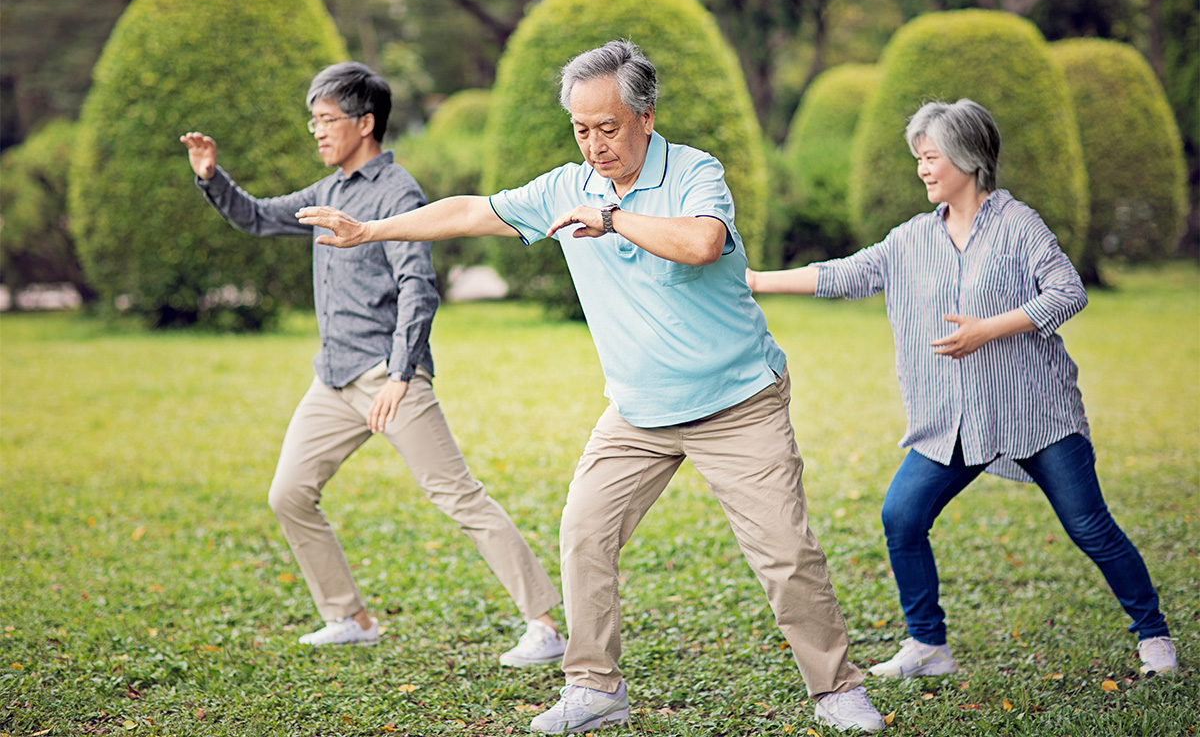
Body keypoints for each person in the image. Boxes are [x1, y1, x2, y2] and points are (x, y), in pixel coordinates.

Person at [297, 41, 885, 734]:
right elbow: (466, 213)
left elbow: (700, 243)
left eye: (607, 127)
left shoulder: (695, 171)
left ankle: (836, 688)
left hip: (736, 402)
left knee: (785, 555)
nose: (594, 144)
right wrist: (371, 229)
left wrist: (610, 218)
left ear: (644, 116)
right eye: (581, 129)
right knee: (583, 535)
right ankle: (595, 686)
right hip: (637, 410)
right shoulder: (564, 186)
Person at [746, 99, 1176, 680]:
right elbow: (845, 273)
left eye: (931, 157)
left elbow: (1068, 291)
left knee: (1089, 526)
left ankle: (1153, 636)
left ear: (968, 159)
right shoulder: (911, 239)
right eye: (918, 158)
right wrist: (755, 280)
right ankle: (928, 646)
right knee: (902, 517)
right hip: (952, 418)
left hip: (1036, 413)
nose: (922, 169)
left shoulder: (1018, 225)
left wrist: (988, 329)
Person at [179, 62, 565, 667]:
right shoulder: (327, 191)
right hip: (333, 379)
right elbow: (257, 217)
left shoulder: (397, 194)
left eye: (327, 119)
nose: (317, 131)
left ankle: (544, 626)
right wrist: (211, 177)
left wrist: (401, 372)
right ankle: (349, 616)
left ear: (365, 123)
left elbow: (418, 285)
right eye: (314, 120)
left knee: (459, 496)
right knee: (289, 494)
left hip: (388, 376)